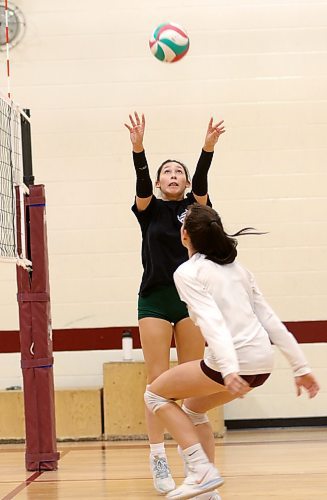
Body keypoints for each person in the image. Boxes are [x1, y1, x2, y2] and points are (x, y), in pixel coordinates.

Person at [144, 203, 320, 500]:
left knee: (155, 394)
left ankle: (200, 469)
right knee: (194, 409)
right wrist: (300, 367)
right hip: (262, 362)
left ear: (184, 235)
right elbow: (271, 320)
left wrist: (227, 369)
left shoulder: (188, 272)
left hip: (233, 362)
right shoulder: (239, 269)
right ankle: (207, 492)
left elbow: (213, 325)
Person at [124, 112, 225, 496]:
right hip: (154, 299)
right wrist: (139, 149)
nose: (172, 174)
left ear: (184, 182)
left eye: (177, 172)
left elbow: (202, 184)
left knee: (192, 383)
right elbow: (141, 183)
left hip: (190, 302)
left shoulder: (195, 212)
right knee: (158, 382)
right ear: (158, 180)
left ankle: (197, 465)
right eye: (165, 171)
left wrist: (207, 150)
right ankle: (157, 458)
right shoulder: (148, 210)